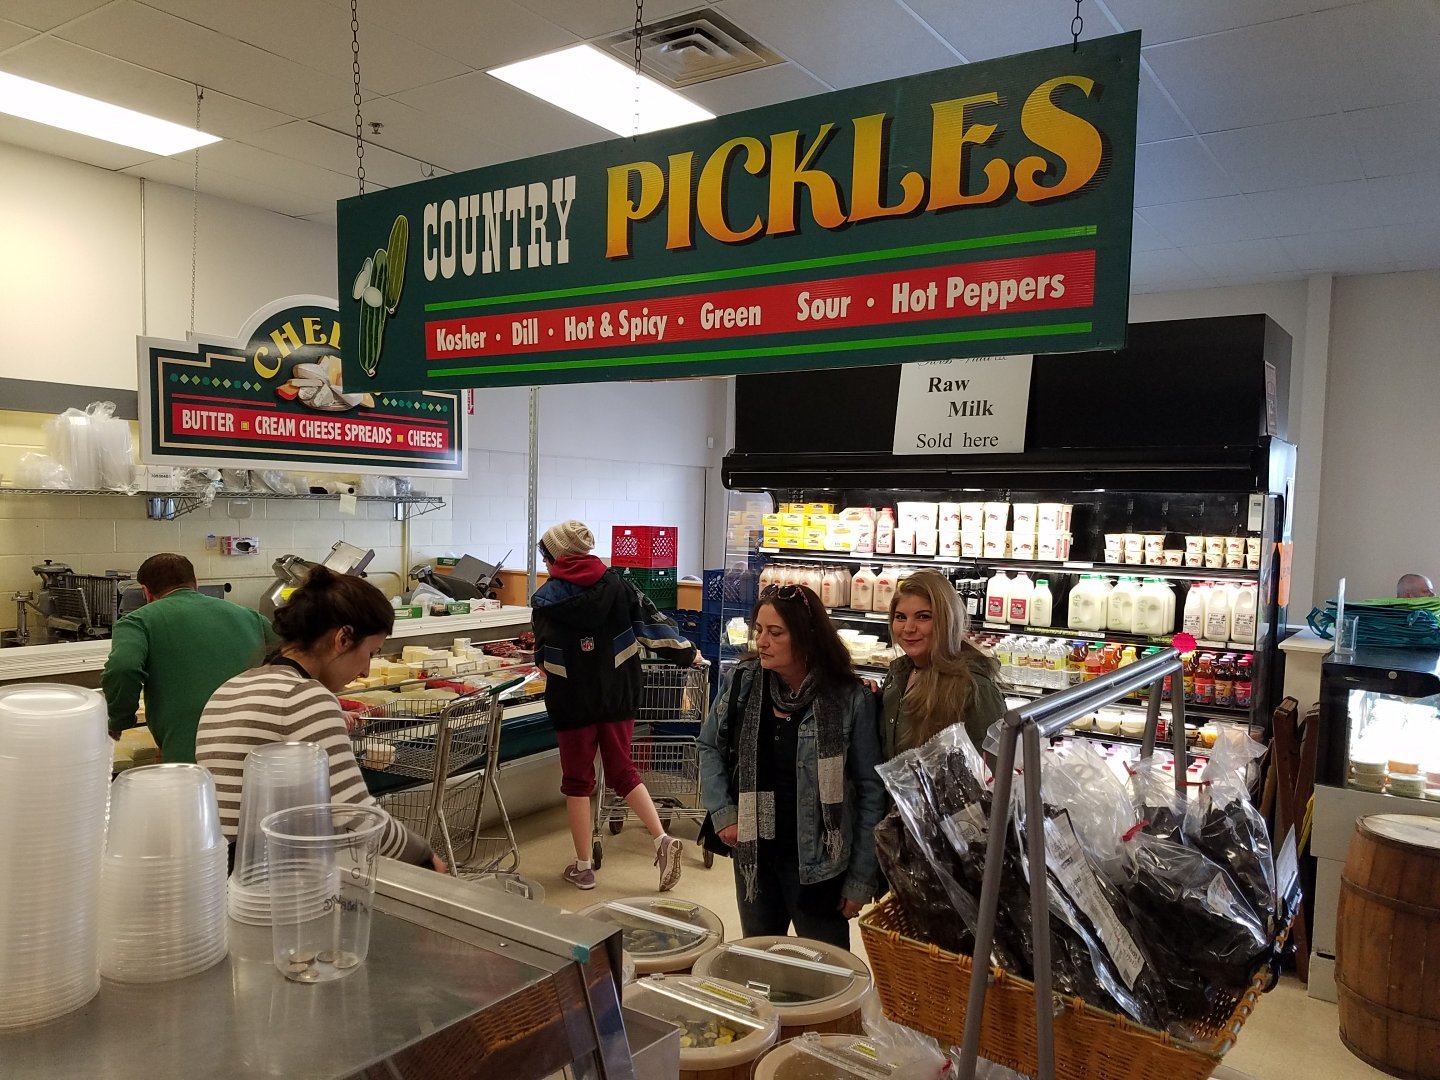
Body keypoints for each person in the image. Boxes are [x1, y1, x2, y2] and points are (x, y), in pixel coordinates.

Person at [195, 567, 443, 872]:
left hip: (216, 877)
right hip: (265, 878)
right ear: (343, 638)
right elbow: (355, 818)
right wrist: (425, 856)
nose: (366, 671)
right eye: (371, 652)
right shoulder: (303, 695)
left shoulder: (230, 687)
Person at [698, 584, 884, 948]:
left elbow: (870, 791)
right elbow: (708, 746)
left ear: (806, 635)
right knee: (760, 958)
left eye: (775, 632)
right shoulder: (744, 683)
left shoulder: (850, 699)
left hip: (821, 861)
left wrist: (861, 878)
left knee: (826, 969)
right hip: (757, 854)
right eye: (759, 630)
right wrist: (724, 812)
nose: (762, 641)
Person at [529, 520, 696, 892]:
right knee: (623, 771)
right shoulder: (619, 585)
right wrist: (689, 654)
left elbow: (542, 658)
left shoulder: (545, 599)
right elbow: (654, 628)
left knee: (577, 781)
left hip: (572, 699)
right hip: (619, 692)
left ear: (557, 555)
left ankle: (583, 867)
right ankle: (662, 840)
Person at [103, 553, 276, 764]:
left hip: (190, 749)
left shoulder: (138, 621)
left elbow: (123, 667)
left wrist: (119, 719)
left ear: (145, 592)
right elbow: (291, 657)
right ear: (196, 583)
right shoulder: (250, 616)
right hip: (259, 742)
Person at [879, 570, 1005, 760]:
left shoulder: (974, 687)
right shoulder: (899, 674)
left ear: (946, 620)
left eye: (923, 617)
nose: (908, 628)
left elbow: (994, 771)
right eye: (901, 617)